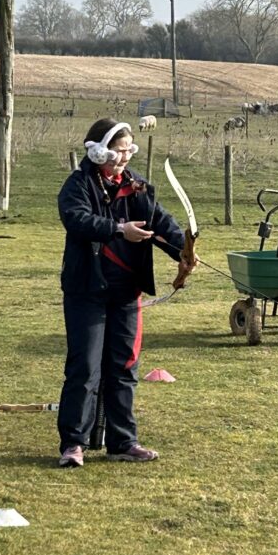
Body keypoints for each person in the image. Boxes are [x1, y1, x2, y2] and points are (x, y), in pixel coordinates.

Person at [56, 118, 194, 468]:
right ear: (99, 151)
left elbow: (161, 225)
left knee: (125, 367)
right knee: (85, 369)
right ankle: (74, 444)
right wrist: (119, 229)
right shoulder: (78, 185)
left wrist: (183, 251)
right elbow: (78, 220)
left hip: (126, 293)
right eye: (117, 152)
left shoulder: (138, 187)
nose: (123, 158)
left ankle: (123, 441)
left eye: (128, 151)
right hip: (87, 290)